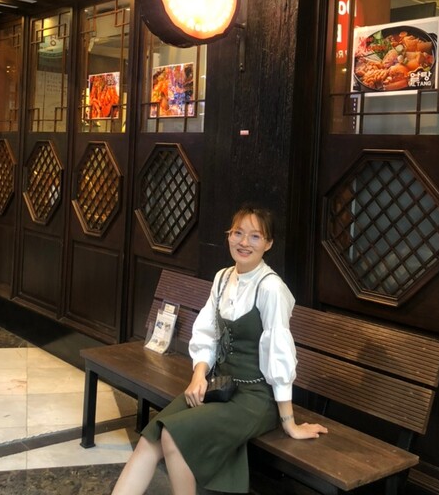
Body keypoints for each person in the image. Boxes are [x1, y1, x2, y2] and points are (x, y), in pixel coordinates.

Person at [112, 206, 327, 495]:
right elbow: (207, 333)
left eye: (255, 236)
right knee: (150, 439)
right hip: (220, 387)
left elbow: (279, 355)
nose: (244, 242)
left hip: (255, 399)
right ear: (228, 236)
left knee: (174, 438)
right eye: (238, 233)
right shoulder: (223, 277)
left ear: (268, 243)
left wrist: (289, 423)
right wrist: (198, 376)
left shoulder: (271, 288)